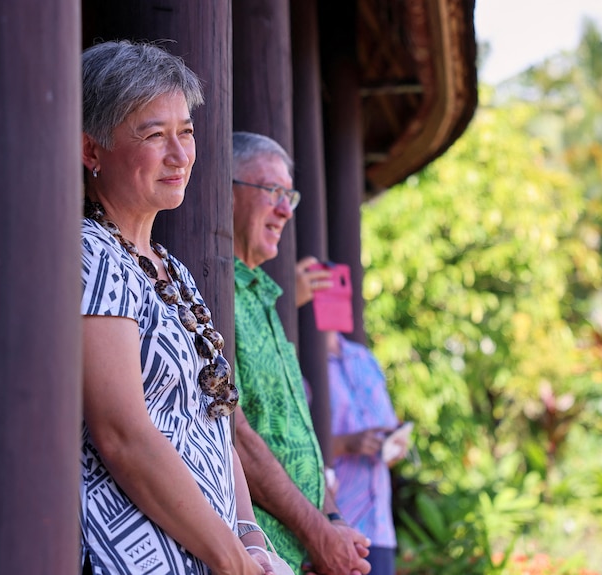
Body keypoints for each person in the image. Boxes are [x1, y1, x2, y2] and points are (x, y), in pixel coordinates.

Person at [79, 41, 270, 575]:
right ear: (92, 150)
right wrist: (233, 559)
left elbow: (211, 420)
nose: (180, 154)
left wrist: (251, 538)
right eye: (152, 134)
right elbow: (122, 435)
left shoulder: (171, 269)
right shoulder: (90, 254)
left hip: (209, 555)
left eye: (185, 131)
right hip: (133, 558)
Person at [231, 131, 371, 575]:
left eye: (288, 194)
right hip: (258, 555)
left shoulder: (264, 296)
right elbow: (236, 437)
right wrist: (317, 534)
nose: (285, 209)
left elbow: (300, 436)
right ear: (227, 192)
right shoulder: (216, 293)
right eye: (271, 191)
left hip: (302, 551)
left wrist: (331, 521)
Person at [325, 330, 409, 575]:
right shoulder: (301, 359)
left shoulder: (365, 358)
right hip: (336, 525)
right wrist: (346, 443)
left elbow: (389, 428)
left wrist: (394, 446)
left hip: (380, 528)